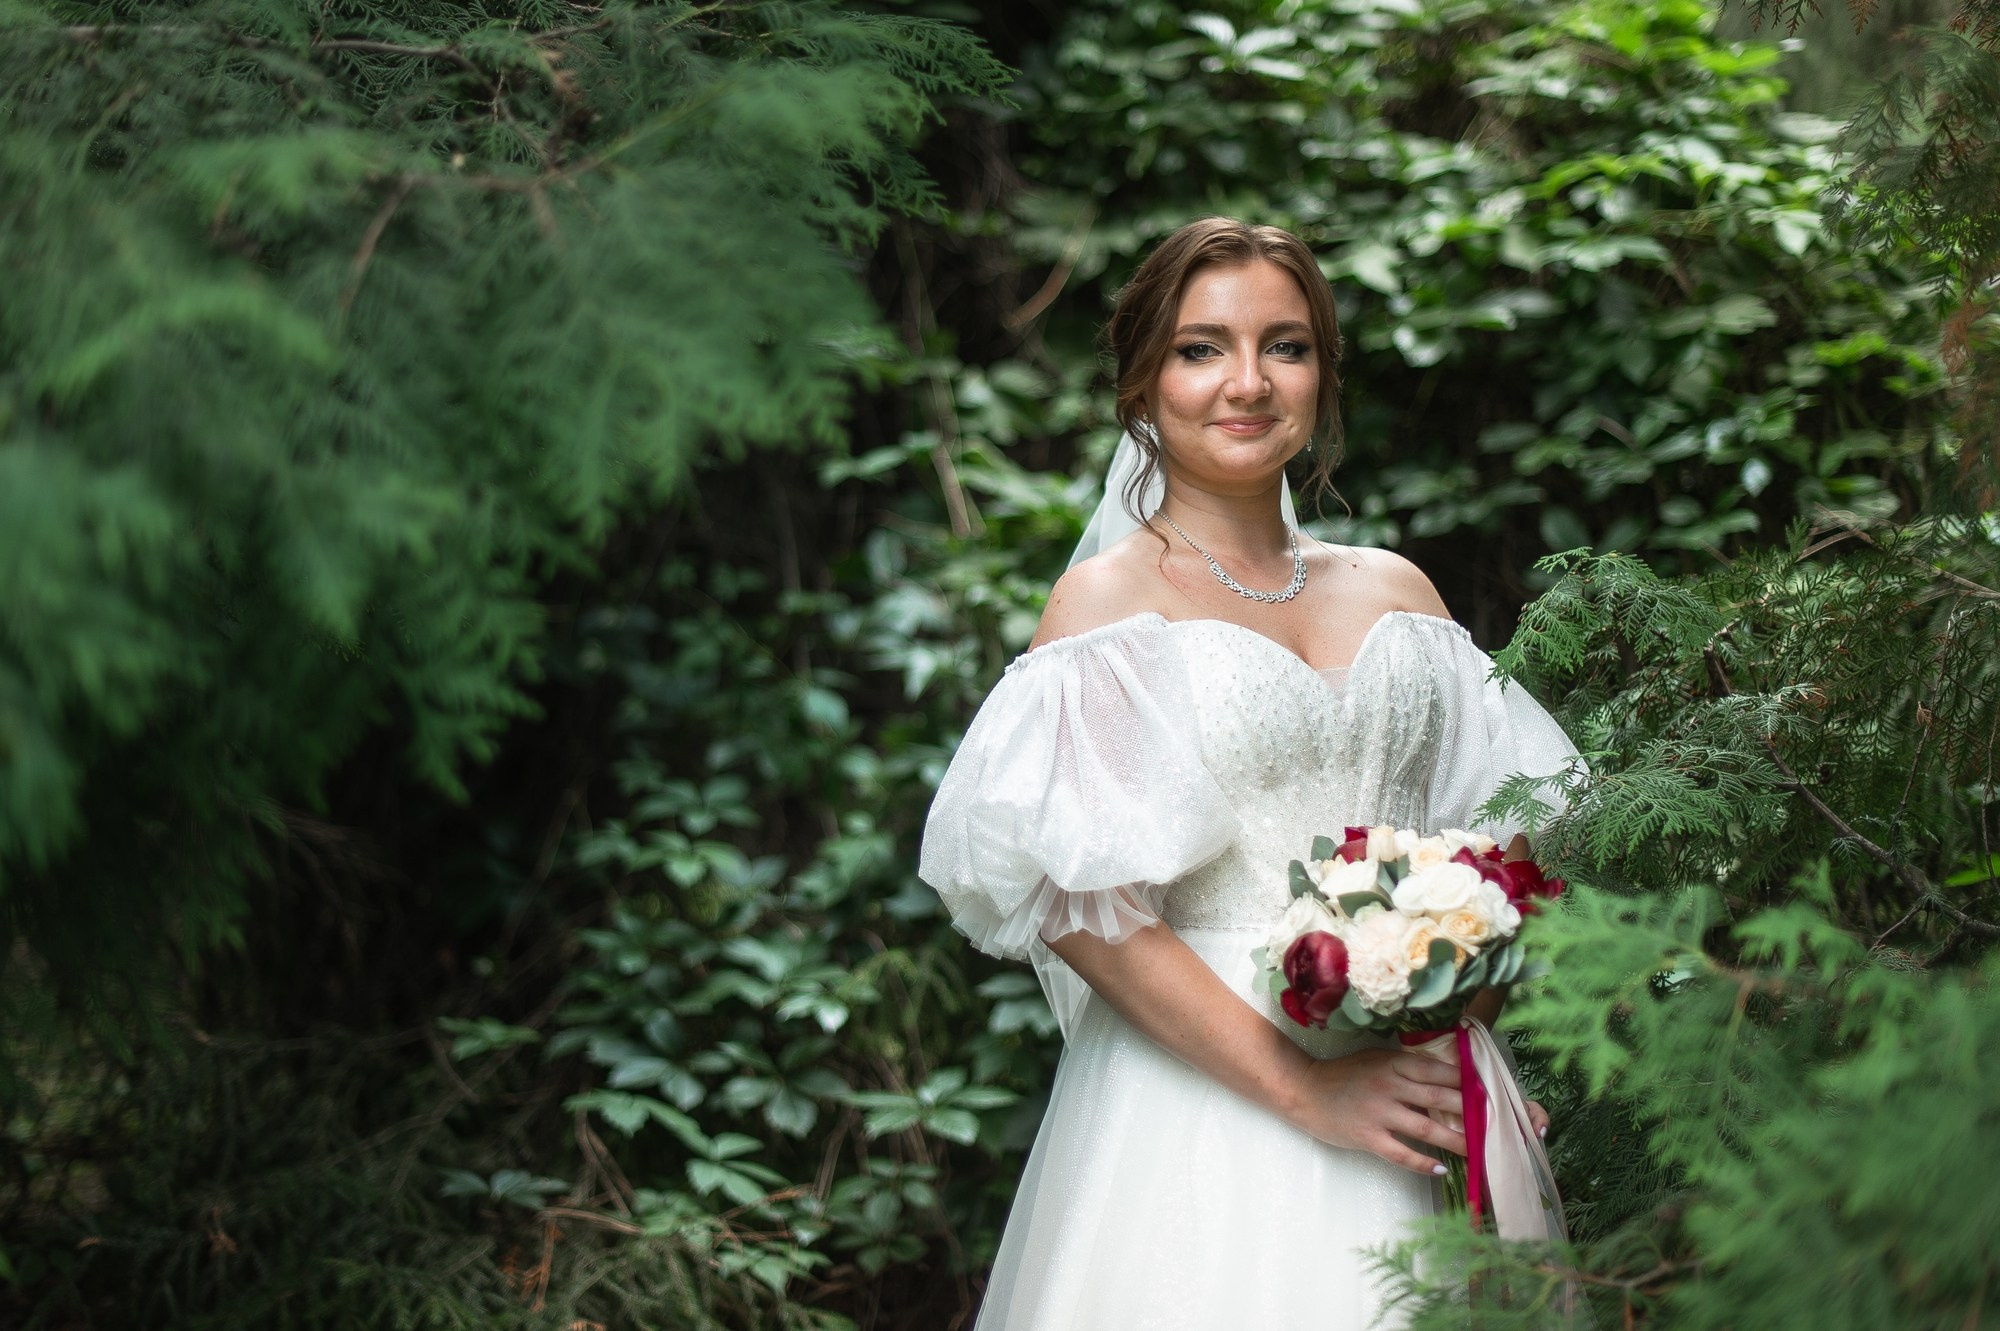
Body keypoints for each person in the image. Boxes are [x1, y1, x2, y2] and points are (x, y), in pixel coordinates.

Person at [916, 217, 1579, 1330]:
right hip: (1205, 1101)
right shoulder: (1104, 612)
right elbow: (1084, 905)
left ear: (1320, 372)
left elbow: (1501, 840)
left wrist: (1470, 1012)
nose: (1246, 381)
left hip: (1420, 1078)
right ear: (1139, 385)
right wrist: (1307, 1088)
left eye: (1285, 344)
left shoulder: (1397, 591)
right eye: (1198, 348)